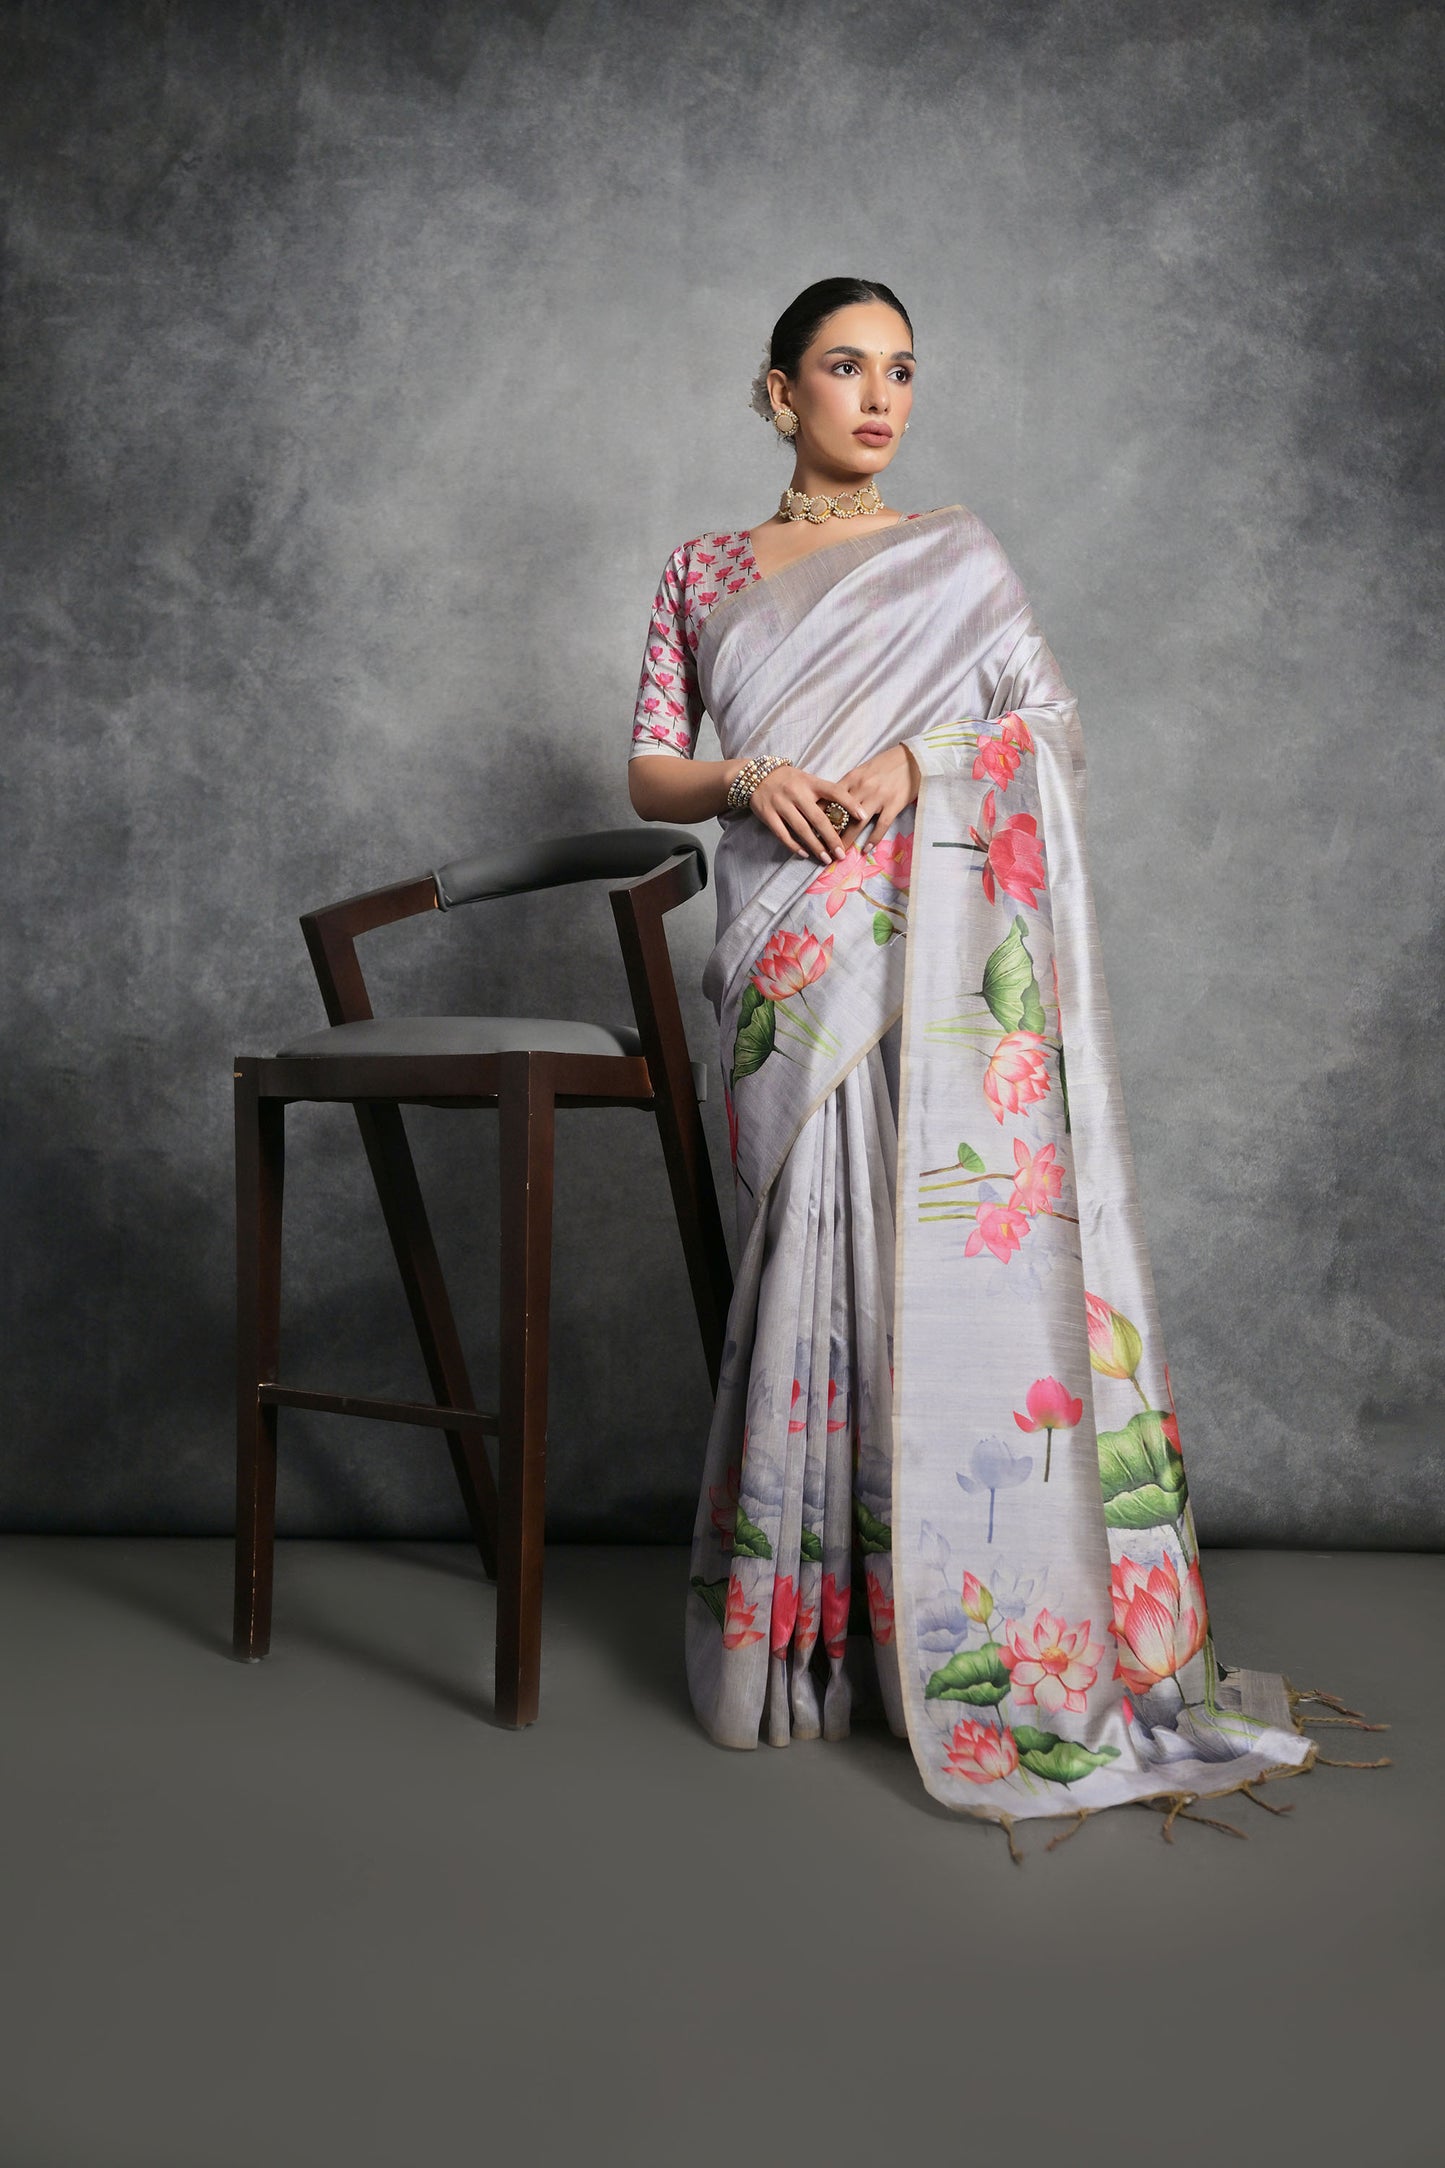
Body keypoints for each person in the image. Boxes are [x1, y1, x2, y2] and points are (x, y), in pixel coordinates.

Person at [626, 276, 1329, 1842]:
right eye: (844, 368)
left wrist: (916, 759)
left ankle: (943, 1638)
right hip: (789, 950)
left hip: (929, 943)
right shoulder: (702, 570)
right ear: (778, 391)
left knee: (937, 1259)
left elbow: (1050, 729)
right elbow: (651, 769)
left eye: (901, 371)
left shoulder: (957, 559)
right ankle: (807, 1637)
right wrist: (748, 776)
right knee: (808, 1264)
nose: (879, 398)